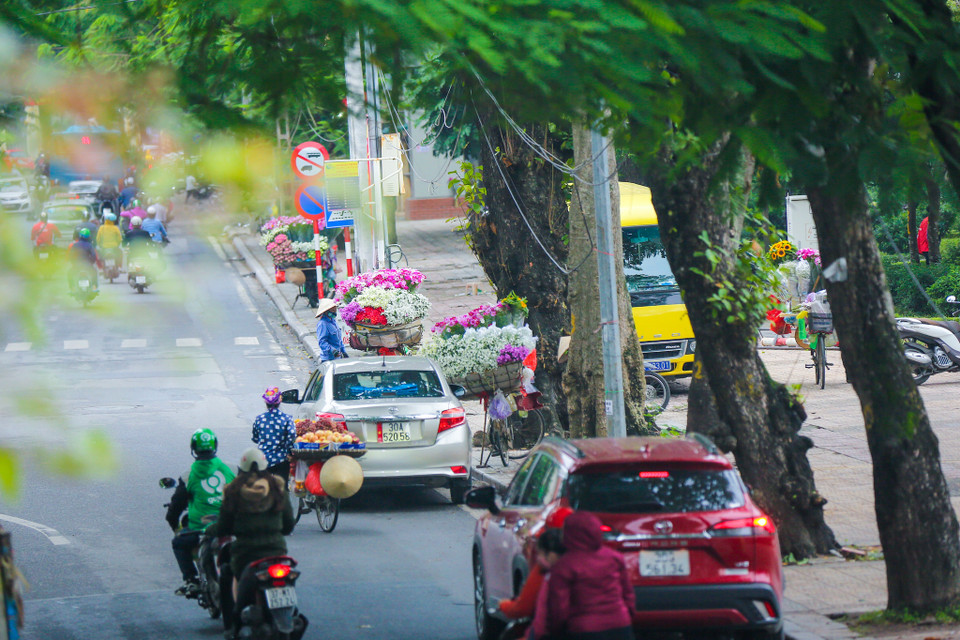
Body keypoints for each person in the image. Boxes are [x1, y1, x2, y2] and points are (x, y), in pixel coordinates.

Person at [203, 448, 295, 639]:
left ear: (242, 467)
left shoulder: (234, 492)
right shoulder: (278, 488)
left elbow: (224, 527)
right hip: (278, 554)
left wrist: (210, 530)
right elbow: (288, 526)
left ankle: (230, 626)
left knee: (227, 572)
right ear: (264, 465)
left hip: (246, 555)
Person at [164, 428, 235, 597]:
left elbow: (176, 508)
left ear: (193, 449)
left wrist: (175, 525)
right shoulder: (231, 469)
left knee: (178, 543)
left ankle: (191, 580)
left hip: (200, 526)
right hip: (230, 524)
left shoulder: (188, 476)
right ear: (215, 446)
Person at [546, 511, 636, 640]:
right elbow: (628, 593)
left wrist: (554, 630)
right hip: (620, 624)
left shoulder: (564, 566)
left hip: (583, 629)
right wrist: (627, 615)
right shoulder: (614, 557)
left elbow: (559, 607)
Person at [499, 528, 566, 640]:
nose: (539, 559)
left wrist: (503, 605)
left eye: (540, 553)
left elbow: (522, 608)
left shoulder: (544, 572)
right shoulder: (590, 567)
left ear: (549, 553)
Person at [252, 388, 297, 483]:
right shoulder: (287, 419)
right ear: (280, 400)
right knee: (282, 489)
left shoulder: (259, 419)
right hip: (281, 460)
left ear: (265, 401)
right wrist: (289, 451)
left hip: (263, 460)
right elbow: (292, 436)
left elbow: (255, 438)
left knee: (262, 488)